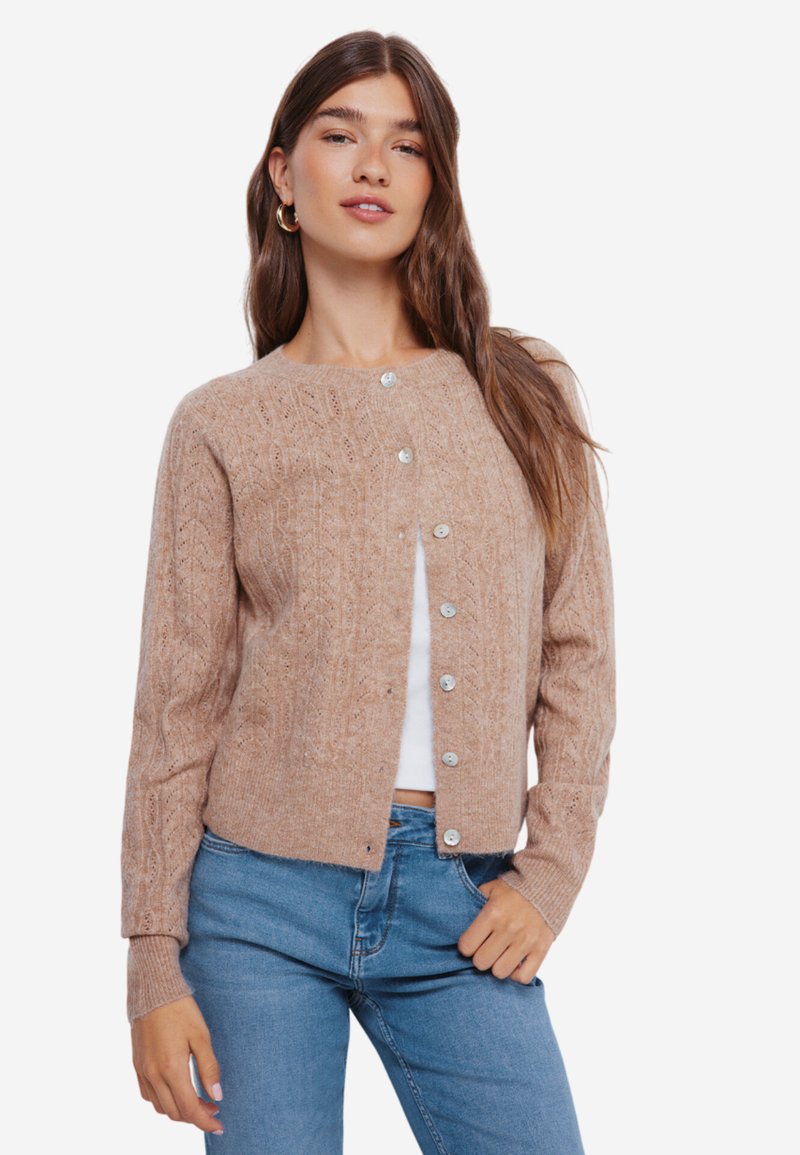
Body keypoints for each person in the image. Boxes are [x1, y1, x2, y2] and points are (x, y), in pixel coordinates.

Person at [120, 28, 616, 1155]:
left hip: (463, 905)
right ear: (284, 177)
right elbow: (176, 704)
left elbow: (579, 651)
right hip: (254, 909)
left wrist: (550, 872)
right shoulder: (222, 423)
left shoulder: (523, 393)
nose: (374, 165)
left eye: (408, 144)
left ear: (435, 182)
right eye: (340, 135)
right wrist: (151, 958)